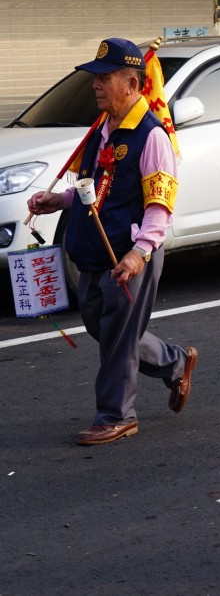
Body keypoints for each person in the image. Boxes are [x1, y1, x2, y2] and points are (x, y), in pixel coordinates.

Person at [26, 38, 198, 445]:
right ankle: (175, 362)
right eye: (96, 79)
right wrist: (59, 200)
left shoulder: (151, 136)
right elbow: (92, 189)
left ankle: (116, 414)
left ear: (133, 83)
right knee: (103, 327)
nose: (96, 86)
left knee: (118, 336)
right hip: (92, 251)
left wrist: (140, 253)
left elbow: (160, 204)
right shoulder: (102, 129)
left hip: (127, 253)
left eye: (105, 79)